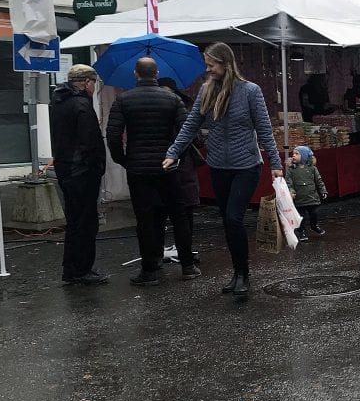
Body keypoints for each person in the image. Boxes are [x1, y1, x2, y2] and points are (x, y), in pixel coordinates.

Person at [163, 42, 283, 298]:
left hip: (246, 166)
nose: (208, 70)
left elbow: (263, 128)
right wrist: (173, 152)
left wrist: (275, 162)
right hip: (218, 166)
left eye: (211, 65)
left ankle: (243, 275)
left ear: (226, 63)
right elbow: (190, 125)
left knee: (233, 218)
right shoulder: (206, 91)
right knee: (227, 223)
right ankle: (237, 271)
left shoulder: (251, 91)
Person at [106, 58, 198, 286]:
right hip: (168, 166)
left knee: (145, 218)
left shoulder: (123, 100)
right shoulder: (172, 99)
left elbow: (113, 134)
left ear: (136, 74)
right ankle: (187, 265)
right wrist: (177, 157)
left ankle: (149, 269)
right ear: (156, 73)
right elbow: (187, 132)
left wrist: (123, 159)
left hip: (138, 168)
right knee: (178, 215)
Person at [50, 64, 109, 286]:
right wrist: (98, 167)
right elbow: (90, 143)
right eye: (93, 83)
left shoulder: (58, 102)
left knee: (74, 221)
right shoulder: (82, 105)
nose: (94, 87)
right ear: (86, 83)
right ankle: (83, 269)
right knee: (86, 221)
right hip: (82, 171)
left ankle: (71, 268)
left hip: (66, 169)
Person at [158, 77, 204, 264]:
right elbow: (199, 140)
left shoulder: (167, 109)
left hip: (164, 164)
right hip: (183, 166)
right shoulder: (186, 105)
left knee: (161, 210)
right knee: (185, 211)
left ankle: (159, 252)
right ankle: (185, 251)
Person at [285, 145, 327, 241]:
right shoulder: (291, 169)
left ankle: (314, 226)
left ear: (304, 156)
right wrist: (291, 192)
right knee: (301, 217)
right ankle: (301, 231)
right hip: (299, 198)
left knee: (314, 213)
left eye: (297, 154)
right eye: (293, 154)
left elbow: (319, 181)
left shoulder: (312, 169)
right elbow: (289, 183)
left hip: (312, 197)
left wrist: (323, 191)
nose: (293, 156)